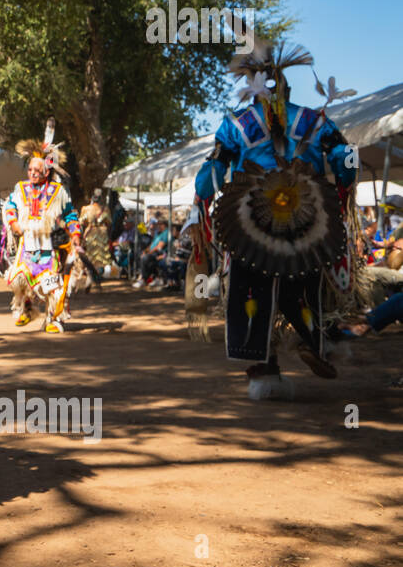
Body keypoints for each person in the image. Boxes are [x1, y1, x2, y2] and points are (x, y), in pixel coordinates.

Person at [184, 40, 357, 400]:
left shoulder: (236, 124)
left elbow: (212, 172)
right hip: (306, 219)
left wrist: (202, 194)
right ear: (286, 86)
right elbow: (344, 159)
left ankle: (264, 370)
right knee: (303, 280)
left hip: (251, 223)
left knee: (253, 289)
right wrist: (343, 175)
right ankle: (318, 339)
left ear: (253, 88)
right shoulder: (315, 119)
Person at [4, 119, 82, 332]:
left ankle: (52, 318)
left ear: (46, 171)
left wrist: (75, 234)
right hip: (27, 244)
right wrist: (13, 223)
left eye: (37, 171)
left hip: (49, 245)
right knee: (20, 280)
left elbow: (70, 215)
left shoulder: (58, 192)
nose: (32, 174)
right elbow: (9, 207)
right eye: (30, 170)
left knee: (50, 284)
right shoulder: (20, 189)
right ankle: (26, 309)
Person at [78, 193, 112, 292]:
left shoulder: (86, 209)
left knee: (90, 258)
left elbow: (82, 221)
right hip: (102, 234)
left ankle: (90, 279)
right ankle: (96, 281)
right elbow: (109, 222)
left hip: (90, 233)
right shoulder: (105, 209)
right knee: (101, 260)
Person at [134, 217, 172, 289]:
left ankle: (143, 279)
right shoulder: (158, 233)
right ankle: (153, 277)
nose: (158, 226)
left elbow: (159, 246)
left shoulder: (166, 233)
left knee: (146, 258)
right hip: (153, 253)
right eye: (158, 225)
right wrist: (145, 251)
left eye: (160, 224)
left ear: (164, 225)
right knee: (139, 255)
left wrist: (148, 253)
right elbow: (152, 244)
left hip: (160, 254)